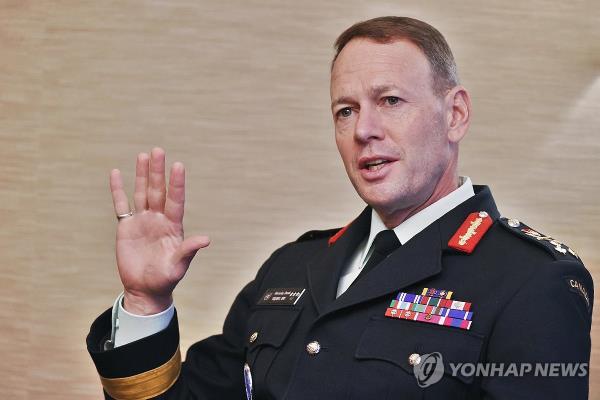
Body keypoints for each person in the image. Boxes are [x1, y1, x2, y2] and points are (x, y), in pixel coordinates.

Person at [87, 16, 593, 399]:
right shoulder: (292, 266)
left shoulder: (533, 280)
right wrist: (146, 303)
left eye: (390, 101)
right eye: (345, 110)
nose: (363, 130)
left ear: (454, 114)